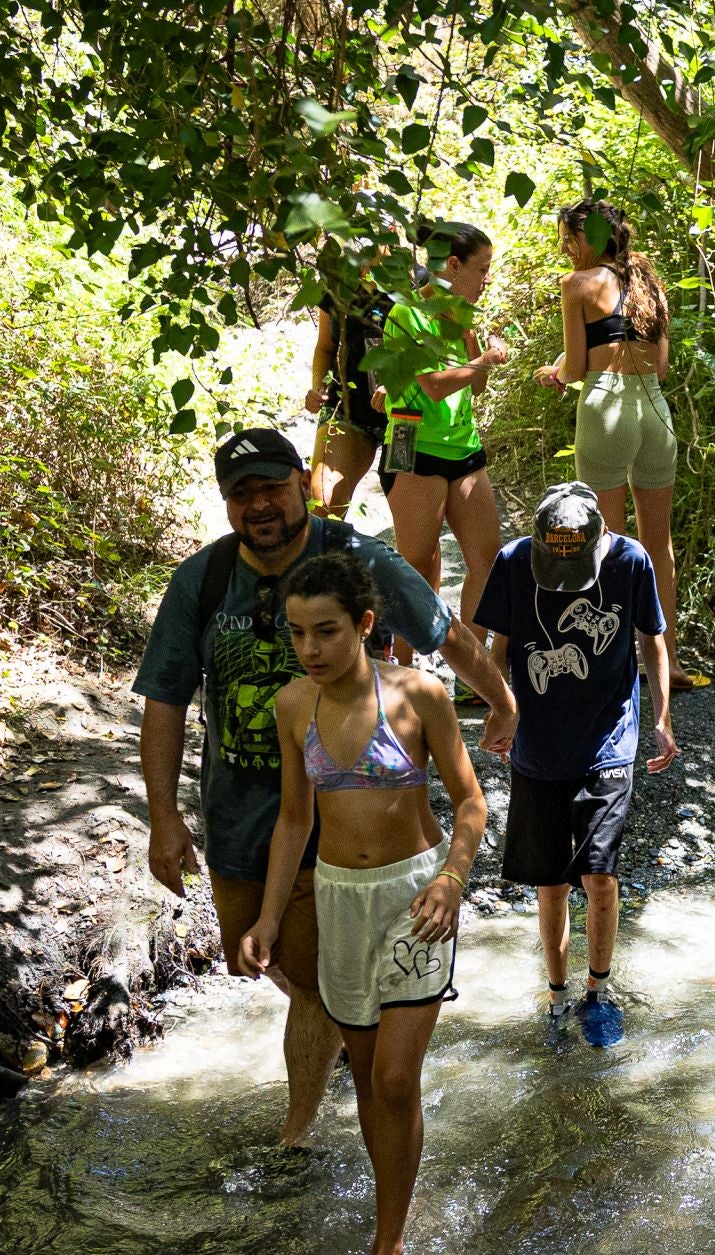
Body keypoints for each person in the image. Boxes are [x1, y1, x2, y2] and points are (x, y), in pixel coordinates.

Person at [133, 427, 513, 1148]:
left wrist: (502, 699)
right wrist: (164, 816)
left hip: (338, 816)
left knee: (309, 977)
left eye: (272, 488)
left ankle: (298, 1133)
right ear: (226, 504)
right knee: (258, 954)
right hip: (241, 816)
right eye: (242, 494)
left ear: (303, 485)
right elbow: (165, 700)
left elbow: (442, 632)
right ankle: (350, 1022)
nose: (259, 505)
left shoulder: (358, 561)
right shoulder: (203, 581)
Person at [242, 552, 485, 1255]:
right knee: (372, 1075)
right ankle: (393, 1208)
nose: (310, 649)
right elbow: (293, 820)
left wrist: (451, 879)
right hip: (339, 898)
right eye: (298, 633)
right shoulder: (293, 706)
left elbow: (470, 803)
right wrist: (267, 919)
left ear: (365, 624)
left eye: (327, 631)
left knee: (393, 1080)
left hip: (416, 896)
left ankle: (388, 1250)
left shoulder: (420, 695)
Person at [472, 482, 676, 1047]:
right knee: (551, 883)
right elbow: (498, 650)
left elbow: (651, 640)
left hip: (608, 738)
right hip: (537, 745)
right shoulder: (514, 561)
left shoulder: (630, 560)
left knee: (599, 876)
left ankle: (599, 993)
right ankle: (558, 997)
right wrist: (501, 711)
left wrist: (662, 718)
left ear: (599, 538)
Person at [532, 199, 708, 692]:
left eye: (568, 239)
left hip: (606, 409)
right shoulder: (650, 283)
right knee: (658, 543)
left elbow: (576, 368)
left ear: (586, 238)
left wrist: (554, 373)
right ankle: (668, 663)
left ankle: (615, 663)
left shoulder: (577, 284)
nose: (565, 249)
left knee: (605, 541)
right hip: (655, 410)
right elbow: (662, 367)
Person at [380, 221, 509, 681]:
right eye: (482, 268)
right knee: (417, 564)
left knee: (488, 562)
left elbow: (476, 386)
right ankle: (402, 668)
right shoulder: (407, 314)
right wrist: (485, 359)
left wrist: (477, 348)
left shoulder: (462, 314)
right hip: (413, 447)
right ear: (453, 265)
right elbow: (433, 386)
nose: (487, 279)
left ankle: (472, 670)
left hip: (463, 448)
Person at [305, 279, 394, 519]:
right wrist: (318, 386)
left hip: (407, 414)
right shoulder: (335, 282)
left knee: (416, 520)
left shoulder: (417, 283)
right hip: (348, 409)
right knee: (323, 505)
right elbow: (325, 347)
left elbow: (435, 350)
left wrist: (398, 383)